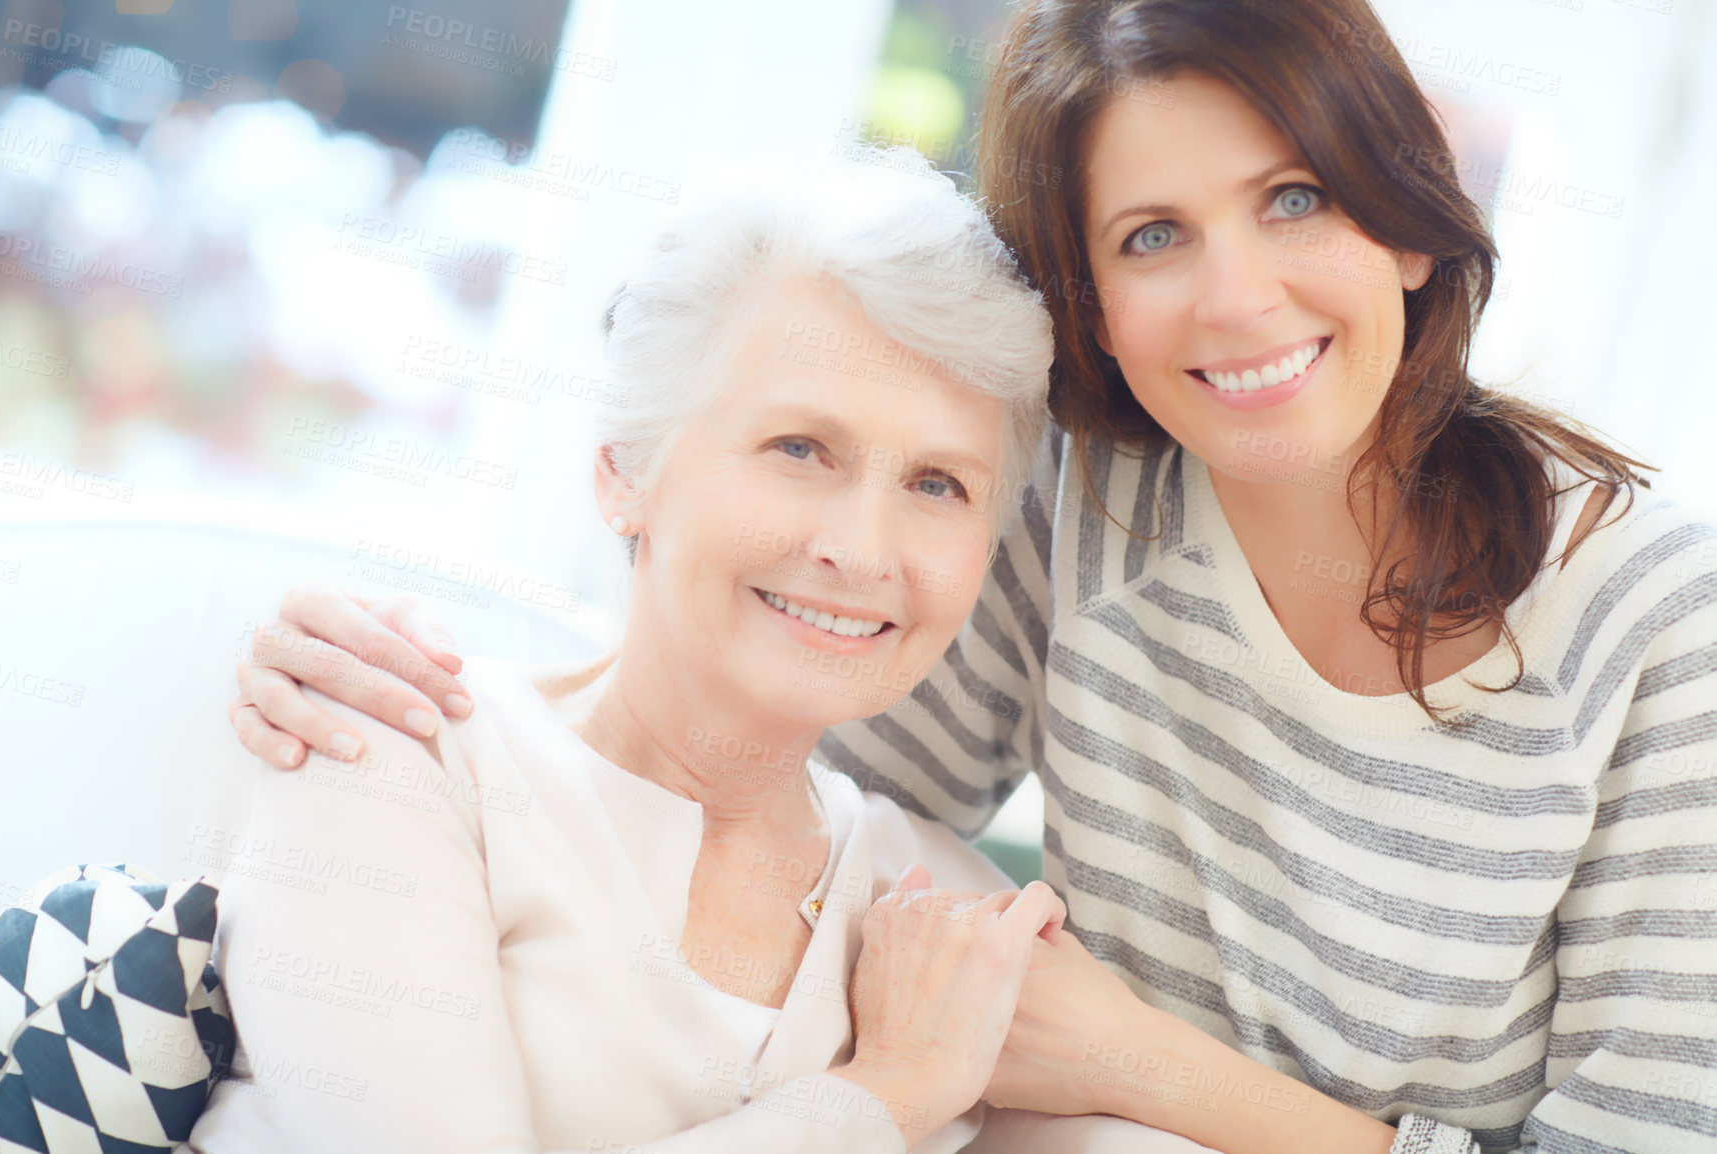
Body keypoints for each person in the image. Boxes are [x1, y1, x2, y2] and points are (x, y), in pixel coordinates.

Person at [226, 1, 1717, 1151]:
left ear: (1404, 216)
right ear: (1094, 312)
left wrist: (1132, 1060)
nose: (1237, 295)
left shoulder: (1658, 620)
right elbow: (752, 736)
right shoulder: (1084, 491)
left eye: (1297, 197)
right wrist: (421, 677)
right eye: (1152, 235)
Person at [184, 152, 1213, 1154]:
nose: (859, 550)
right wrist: (889, 1092)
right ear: (626, 471)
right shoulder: (388, 748)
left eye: (938, 482)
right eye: (800, 448)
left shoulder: (947, 916)